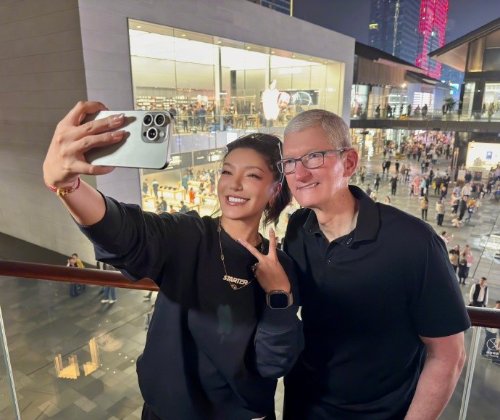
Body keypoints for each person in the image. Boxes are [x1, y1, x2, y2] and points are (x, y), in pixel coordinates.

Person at [43, 101, 303, 419]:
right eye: (226, 171)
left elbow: (272, 363)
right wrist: (67, 185)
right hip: (167, 412)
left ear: (275, 191)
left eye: (252, 175)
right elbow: (127, 233)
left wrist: (278, 296)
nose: (234, 184)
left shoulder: (282, 268)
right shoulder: (188, 234)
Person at [280, 109, 470, 419]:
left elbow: (448, 355)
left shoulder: (413, 242)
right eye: (289, 162)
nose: (299, 175)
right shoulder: (298, 228)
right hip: (303, 406)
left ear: (350, 162)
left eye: (314, 157)